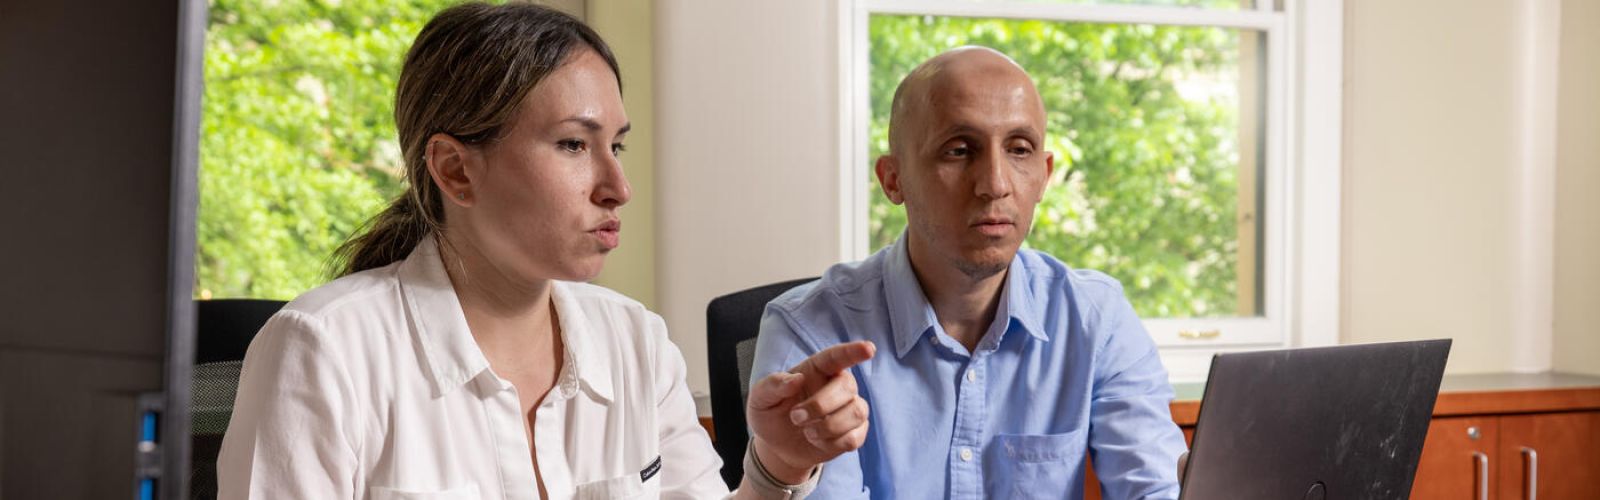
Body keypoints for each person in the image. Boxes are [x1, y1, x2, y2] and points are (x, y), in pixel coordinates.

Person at [216, 3, 873, 499]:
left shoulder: (636, 342)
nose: (618, 187)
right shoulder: (323, 349)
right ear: (455, 170)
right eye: (572, 144)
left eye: (616, 145)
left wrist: (777, 465)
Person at [748, 46, 1188, 499]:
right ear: (893, 180)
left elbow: (1156, 489)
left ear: (1044, 175)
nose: (995, 184)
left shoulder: (1096, 319)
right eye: (958, 151)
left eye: (1019, 149)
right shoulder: (810, 328)